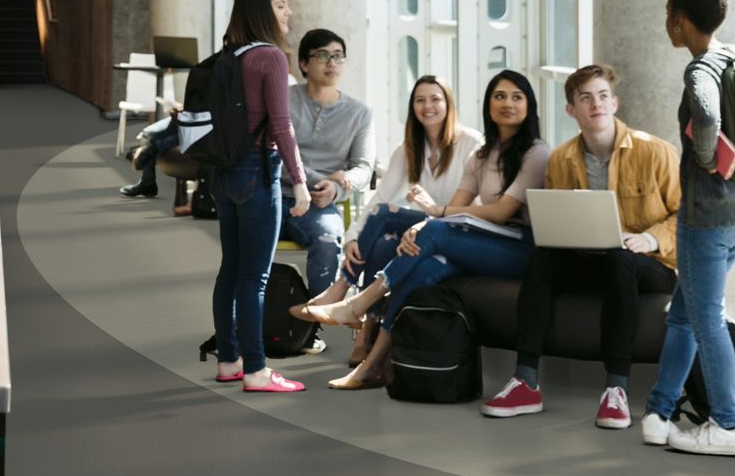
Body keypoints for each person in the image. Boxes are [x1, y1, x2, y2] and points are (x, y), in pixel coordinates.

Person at [306, 71, 550, 389]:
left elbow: (502, 212)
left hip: (520, 247)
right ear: (488, 104)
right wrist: (426, 222)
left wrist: (434, 216)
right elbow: (454, 210)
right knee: (424, 267)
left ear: (529, 105)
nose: (507, 103)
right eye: (499, 96)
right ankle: (372, 366)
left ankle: (359, 303)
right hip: (483, 241)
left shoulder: (536, 152)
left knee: (431, 233)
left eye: (517, 97)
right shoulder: (481, 156)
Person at [479, 64, 680, 430]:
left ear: (615, 103)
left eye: (603, 96)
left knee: (620, 259)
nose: (596, 104)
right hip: (594, 260)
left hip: (651, 264)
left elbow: (687, 219)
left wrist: (649, 238)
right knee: (542, 258)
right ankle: (526, 381)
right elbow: (558, 221)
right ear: (571, 110)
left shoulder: (656, 152)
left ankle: (615, 389)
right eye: (585, 98)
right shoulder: (562, 159)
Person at [640, 0, 735, 458]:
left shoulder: (700, 69)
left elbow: (708, 115)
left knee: (706, 318)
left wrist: (704, 157)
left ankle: (729, 426)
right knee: (685, 315)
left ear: (678, 19)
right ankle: (659, 412)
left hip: (707, 220)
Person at [205, 0, 310, 395]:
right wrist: (299, 182)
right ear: (262, 10)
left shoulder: (231, 53)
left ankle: (229, 361)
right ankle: (257, 370)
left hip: (224, 172)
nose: (289, 12)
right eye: (282, 5)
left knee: (230, 270)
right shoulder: (270, 58)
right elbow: (281, 127)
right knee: (255, 278)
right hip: (258, 171)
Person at [279, 29, 373, 298]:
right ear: (304, 64)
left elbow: (363, 167)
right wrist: (322, 178)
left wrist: (336, 189)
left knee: (328, 240)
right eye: (322, 56)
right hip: (274, 194)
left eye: (338, 56)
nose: (332, 63)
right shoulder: (283, 100)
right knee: (248, 242)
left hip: (319, 203)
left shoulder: (359, 113)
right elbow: (274, 155)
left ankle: (316, 321)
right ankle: (250, 322)